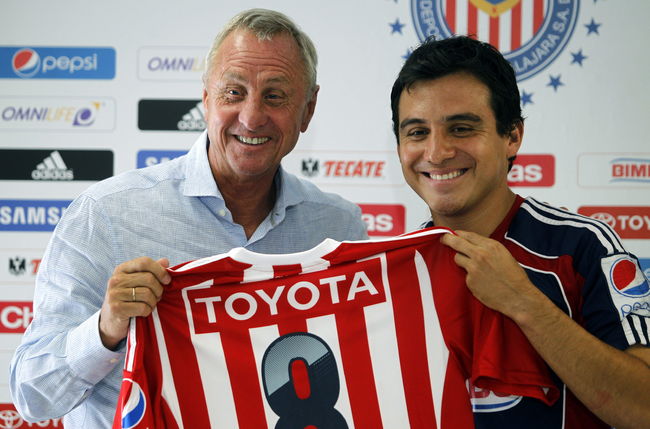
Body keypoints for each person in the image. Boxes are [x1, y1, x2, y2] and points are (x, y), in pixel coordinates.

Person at [10, 8, 367, 428]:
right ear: (206, 99)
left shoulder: (339, 229)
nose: (251, 117)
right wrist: (106, 329)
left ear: (308, 109)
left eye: (275, 96)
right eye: (233, 92)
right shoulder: (105, 215)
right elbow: (32, 395)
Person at [391, 35, 650, 429]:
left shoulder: (583, 245)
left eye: (461, 128)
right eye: (416, 132)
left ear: (512, 136)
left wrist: (524, 302)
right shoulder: (392, 267)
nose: (436, 152)